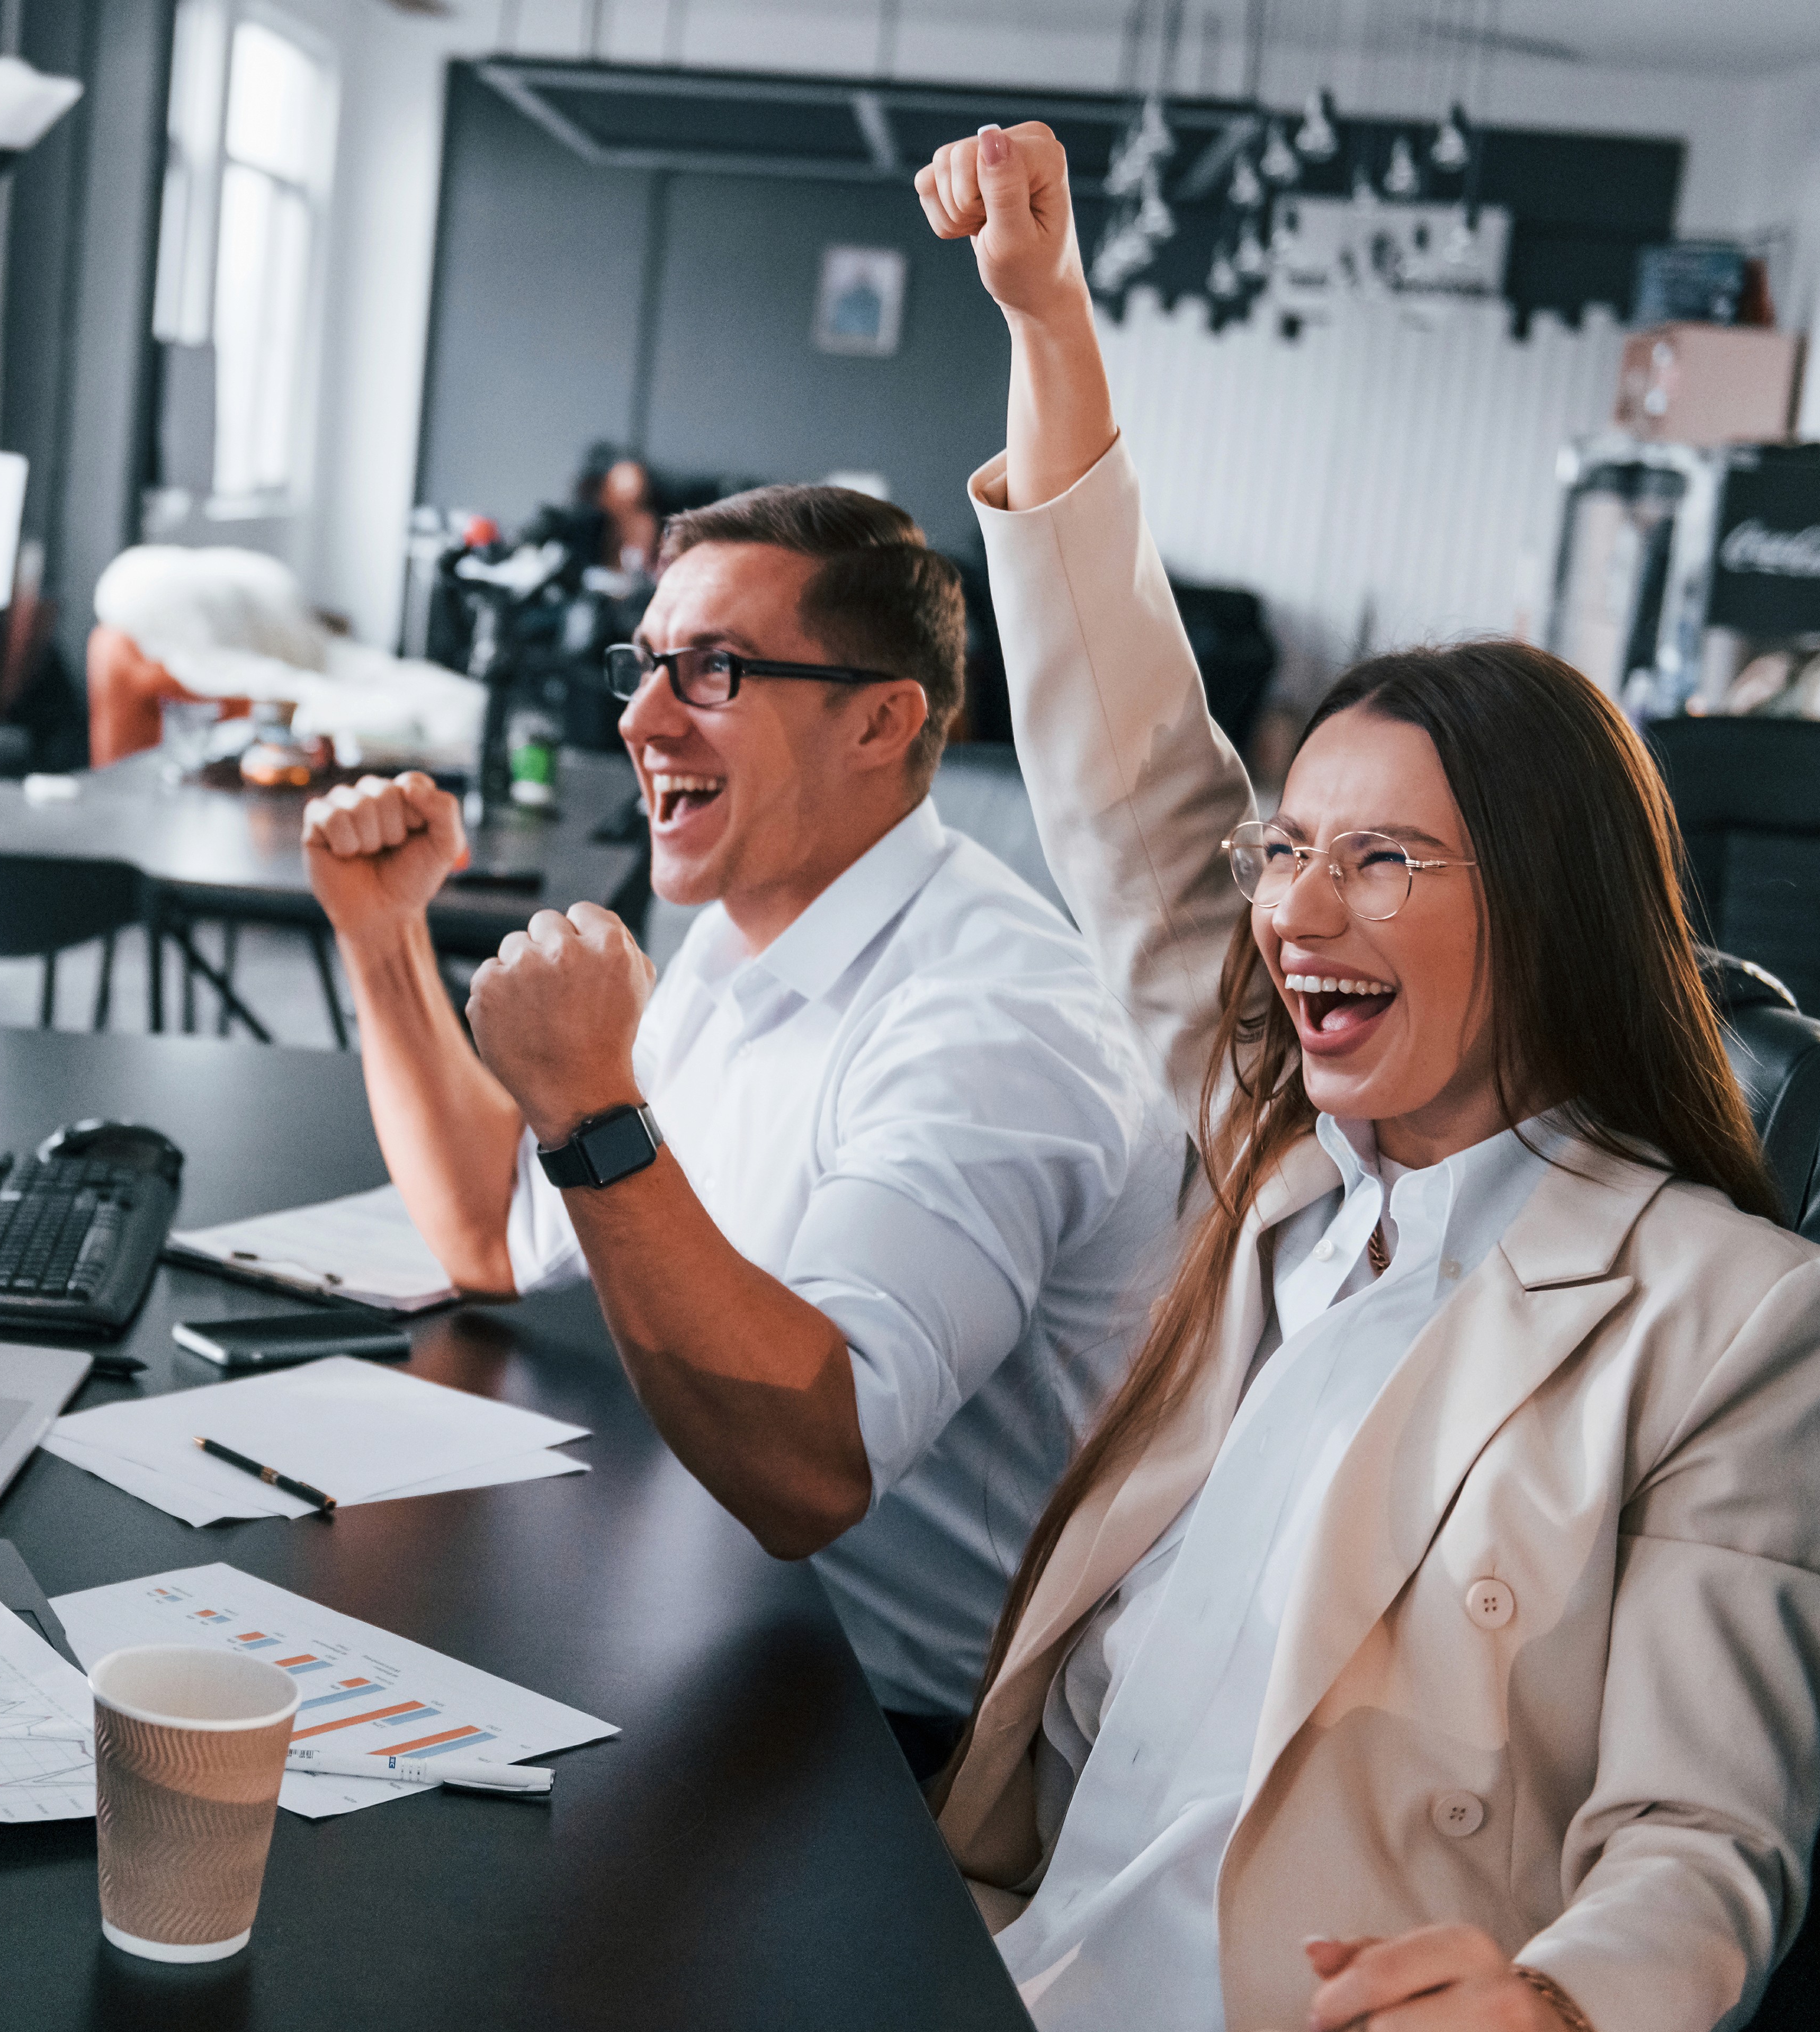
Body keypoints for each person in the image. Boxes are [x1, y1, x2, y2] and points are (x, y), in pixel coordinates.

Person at [916, 119, 1820, 2032]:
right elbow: (1128, 779)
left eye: (1384, 862)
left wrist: (1566, 2015)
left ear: (1543, 913)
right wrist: (1051, 319)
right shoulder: (1298, 1163)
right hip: (1003, 1962)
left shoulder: (1733, 1321)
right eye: (1292, 848)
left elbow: (1712, 1831)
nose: (1294, 910)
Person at [299, 480, 1186, 1761]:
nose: (641, 718)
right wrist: (385, 940)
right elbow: (498, 1239)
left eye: (711, 671)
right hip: (701, 1606)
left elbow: (814, 1470)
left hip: (883, 1741)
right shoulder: (741, 935)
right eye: (646, 665)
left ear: (883, 722)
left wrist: (596, 1104)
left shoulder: (994, 1024)